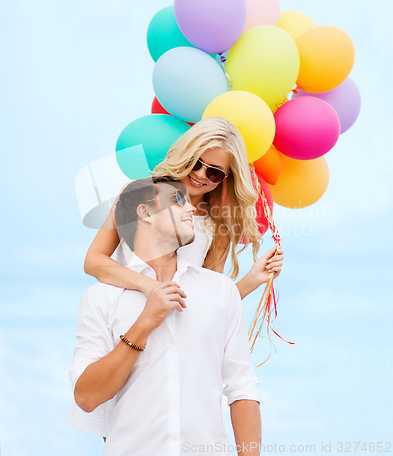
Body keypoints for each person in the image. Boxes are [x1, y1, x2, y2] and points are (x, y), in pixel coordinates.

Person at [67, 117, 283, 436]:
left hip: (178, 334)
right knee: (123, 425)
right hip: (127, 323)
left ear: (225, 178)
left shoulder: (217, 224)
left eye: (213, 172)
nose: (199, 175)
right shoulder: (139, 194)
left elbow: (209, 305)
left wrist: (251, 280)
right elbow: (94, 261)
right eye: (196, 162)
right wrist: (149, 287)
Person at [70, 177, 262, 455]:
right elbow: (87, 397)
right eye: (178, 201)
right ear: (145, 213)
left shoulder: (221, 291)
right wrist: (145, 322)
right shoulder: (101, 298)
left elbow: (242, 387)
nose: (192, 209)